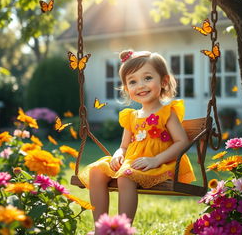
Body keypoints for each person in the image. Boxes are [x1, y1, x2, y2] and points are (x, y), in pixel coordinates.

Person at [79, 50, 196, 235]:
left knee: (125, 177)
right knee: (96, 171)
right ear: (126, 88)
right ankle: (100, 229)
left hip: (160, 163)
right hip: (132, 162)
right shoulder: (131, 116)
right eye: (132, 81)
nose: (140, 85)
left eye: (147, 78)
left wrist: (155, 160)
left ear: (164, 81)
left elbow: (182, 142)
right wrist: (118, 154)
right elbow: (124, 146)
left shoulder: (167, 113)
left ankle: (121, 230)